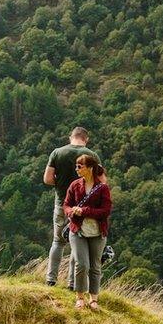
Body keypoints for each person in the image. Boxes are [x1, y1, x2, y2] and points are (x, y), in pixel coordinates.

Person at [43, 127, 102, 288]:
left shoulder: (57, 153)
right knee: (78, 243)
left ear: (71, 137)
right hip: (82, 209)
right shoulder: (92, 156)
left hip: (61, 204)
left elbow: (47, 179)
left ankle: (51, 279)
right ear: (86, 139)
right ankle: (71, 283)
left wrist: (62, 184)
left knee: (57, 242)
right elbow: (101, 182)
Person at [64, 154, 112, 311]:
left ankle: (94, 299)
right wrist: (72, 211)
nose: (77, 169)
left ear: (90, 168)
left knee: (95, 266)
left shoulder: (103, 188)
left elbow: (105, 211)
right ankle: (79, 297)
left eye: (80, 166)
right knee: (82, 264)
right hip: (78, 231)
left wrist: (84, 211)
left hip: (97, 232)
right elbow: (66, 206)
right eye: (76, 166)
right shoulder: (74, 185)